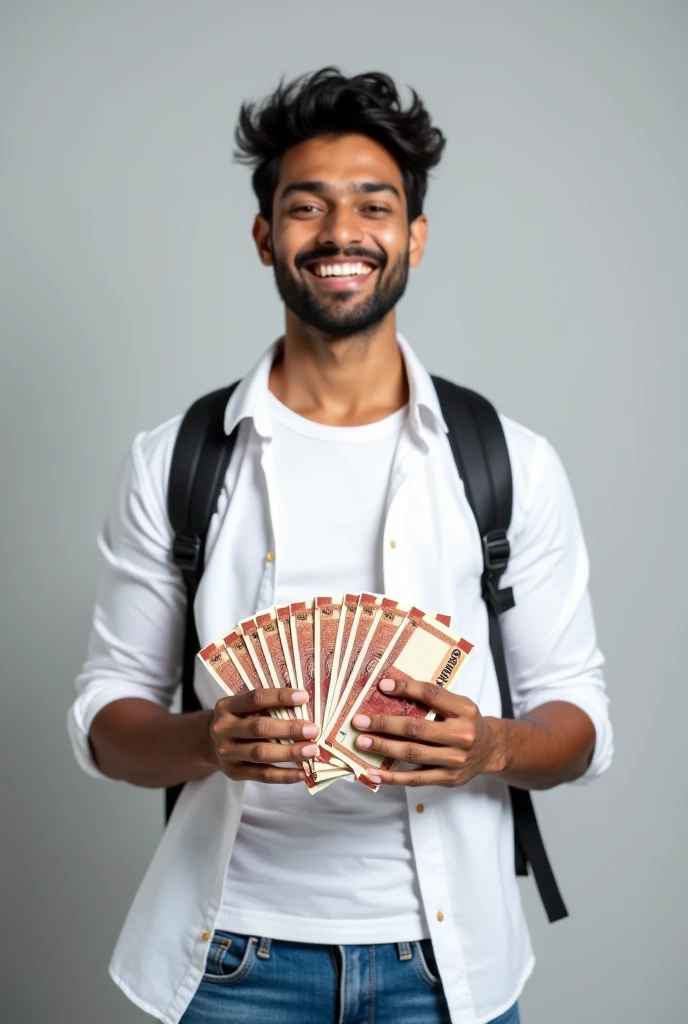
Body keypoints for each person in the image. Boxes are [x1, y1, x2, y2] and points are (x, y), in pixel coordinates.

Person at [69, 67, 613, 1024]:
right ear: (264, 237)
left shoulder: (508, 462)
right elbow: (109, 722)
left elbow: (578, 725)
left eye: (374, 204)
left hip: (449, 966)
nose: (340, 233)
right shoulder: (174, 462)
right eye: (305, 206)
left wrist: (489, 743)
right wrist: (205, 739)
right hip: (231, 959)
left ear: (414, 237)